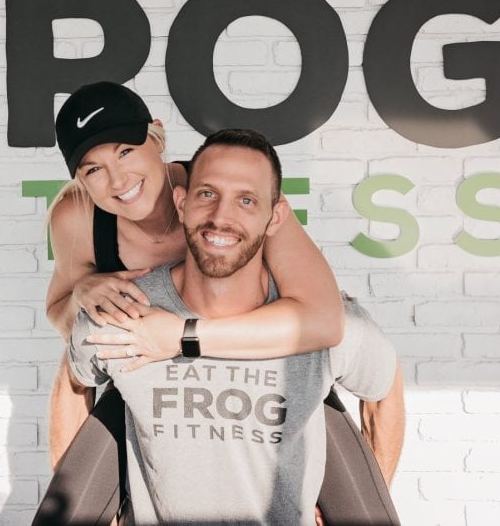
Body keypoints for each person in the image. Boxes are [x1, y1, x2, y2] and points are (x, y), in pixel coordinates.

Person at [66, 128, 405, 524]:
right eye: (208, 194)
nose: (222, 217)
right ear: (182, 202)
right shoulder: (125, 310)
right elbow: (73, 385)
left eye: (246, 200)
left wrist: (350, 502)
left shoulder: (330, 324)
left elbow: (383, 391)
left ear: (275, 216)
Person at [43, 82, 346, 466]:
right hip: (158, 396)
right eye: (94, 169)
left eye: (125, 152)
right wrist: (82, 291)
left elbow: (323, 320)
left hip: (262, 380)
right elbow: (62, 319)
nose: (118, 180)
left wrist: (181, 338)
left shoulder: (229, 191)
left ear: (157, 135)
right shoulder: (76, 216)